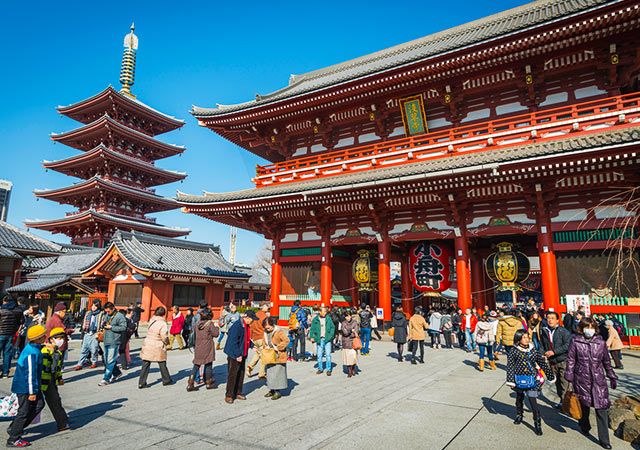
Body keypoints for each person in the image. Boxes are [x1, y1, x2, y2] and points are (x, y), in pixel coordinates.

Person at [565, 317, 618, 449]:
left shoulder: (600, 343)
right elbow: (571, 359)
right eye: (587, 327)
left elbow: (606, 361)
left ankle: (604, 439)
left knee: (601, 408)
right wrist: (569, 374)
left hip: (598, 378)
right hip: (581, 377)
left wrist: (611, 375)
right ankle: (584, 425)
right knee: (584, 404)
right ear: (582, 328)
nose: (589, 330)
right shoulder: (575, 341)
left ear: (595, 329)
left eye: (592, 327)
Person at [506, 329, 554, 436]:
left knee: (533, 402)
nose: (527, 339)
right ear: (518, 339)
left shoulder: (532, 349)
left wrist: (550, 375)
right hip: (518, 380)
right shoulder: (514, 350)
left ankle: (537, 424)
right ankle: (519, 415)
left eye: (527, 337)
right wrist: (510, 381)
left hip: (532, 380)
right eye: (524, 337)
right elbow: (510, 366)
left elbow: (541, 362)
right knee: (519, 399)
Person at [6, 325, 48, 448]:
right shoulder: (32, 353)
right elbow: (30, 374)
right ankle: (13, 438)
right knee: (24, 411)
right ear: (37, 338)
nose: (46, 337)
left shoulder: (34, 348)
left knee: (40, 405)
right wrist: (32, 392)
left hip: (31, 386)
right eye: (43, 336)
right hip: (25, 387)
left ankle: (15, 428)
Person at [539, 311, 572, 407]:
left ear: (557, 320)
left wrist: (554, 351)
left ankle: (567, 404)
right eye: (548, 318)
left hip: (563, 360)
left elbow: (568, 344)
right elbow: (542, 344)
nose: (550, 320)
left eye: (553, 318)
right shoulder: (545, 330)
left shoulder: (563, 331)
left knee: (564, 383)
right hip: (552, 362)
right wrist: (541, 354)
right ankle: (562, 401)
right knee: (557, 383)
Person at [41, 327, 70, 432]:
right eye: (58, 338)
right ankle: (16, 428)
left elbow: (57, 368)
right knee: (36, 406)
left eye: (63, 338)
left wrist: (59, 378)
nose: (61, 340)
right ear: (51, 339)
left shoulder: (58, 352)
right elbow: (42, 368)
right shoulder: (46, 350)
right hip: (44, 380)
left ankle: (62, 423)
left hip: (52, 379)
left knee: (55, 401)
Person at [224, 310, 256, 403]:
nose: (253, 321)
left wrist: (251, 345)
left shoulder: (246, 325)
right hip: (235, 354)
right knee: (232, 374)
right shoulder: (237, 326)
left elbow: (245, 338)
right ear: (247, 318)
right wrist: (237, 354)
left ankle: (238, 392)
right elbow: (233, 342)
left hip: (243, 352)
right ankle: (229, 394)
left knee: (241, 373)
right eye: (252, 319)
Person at [139, 307, 173, 388]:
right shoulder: (162, 323)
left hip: (148, 342)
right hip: (157, 343)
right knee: (162, 362)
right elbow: (164, 335)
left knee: (146, 363)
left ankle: (141, 382)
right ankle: (166, 379)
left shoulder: (152, 320)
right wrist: (167, 342)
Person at [187, 307, 219, 391]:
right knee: (208, 364)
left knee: (196, 365)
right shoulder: (210, 324)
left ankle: (190, 383)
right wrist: (216, 327)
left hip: (198, 346)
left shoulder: (197, 323)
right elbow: (216, 334)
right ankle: (208, 383)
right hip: (207, 346)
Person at [98, 302, 126, 386]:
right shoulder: (107, 315)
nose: (107, 313)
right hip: (106, 339)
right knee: (107, 360)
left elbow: (123, 327)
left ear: (113, 309)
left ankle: (106, 378)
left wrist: (112, 327)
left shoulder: (119, 316)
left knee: (110, 360)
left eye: (109, 311)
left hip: (114, 341)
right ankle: (117, 373)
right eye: (106, 311)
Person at [263, 317, 289, 400]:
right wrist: (265, 346)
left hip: (278, 355)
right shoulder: (265, 332)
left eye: (269, 327)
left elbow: (286, 340)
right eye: (266, 328)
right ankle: (272, 389)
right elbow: (264, 341)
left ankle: (277, 391)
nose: (267, 329)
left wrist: (278, 347)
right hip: (270, 355)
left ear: (272, 325)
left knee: (278, 373)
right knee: (270, 373)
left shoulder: (279, 331)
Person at [74, 299, 104, 371]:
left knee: (94, 349)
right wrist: (83, 330)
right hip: (87, 332)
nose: (93, 307)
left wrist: (99, 333)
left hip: (95, 333)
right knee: (84, 349)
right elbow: (84, 322)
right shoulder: (88, 313)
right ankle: (80, 364)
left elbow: (102, 324)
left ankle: (94, 362)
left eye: (95, 306)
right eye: (92, 305)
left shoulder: (101, 314)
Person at [0, 295, 25, 378]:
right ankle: (5, 373)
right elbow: (22, 321)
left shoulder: (1, 310)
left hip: (0, 333)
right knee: (7, 354)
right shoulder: (18, 311)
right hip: (11, 334)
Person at [310, 306, 335, 375]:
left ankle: (328, 369)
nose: (325, 313)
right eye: (324, 311)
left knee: (328, 354)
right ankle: (320, 368)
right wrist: (311, 337)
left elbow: (333, 327)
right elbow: (312, 329)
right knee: (319, 354)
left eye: (325, 311)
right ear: (320, 312)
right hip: (319, 339)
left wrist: (330, 336)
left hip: (327, 339)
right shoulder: (315, 319)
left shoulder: (328, 318)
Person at [246, 302, 269, 379]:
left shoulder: (255, 315)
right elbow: (267, 327)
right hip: (262, 337)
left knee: (258, 354)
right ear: (263, 307)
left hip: (255, 338)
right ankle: (261, 373)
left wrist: (251, 336)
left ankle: (250, 367)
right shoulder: (265, 316)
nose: (268, 308)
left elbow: (251, 326)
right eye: (267, 306)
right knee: (263, 356)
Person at [340, 310, 359, 377]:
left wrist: (349, 332)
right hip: (346, 342)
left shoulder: (355, 322)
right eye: (346, 316)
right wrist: (351, 330)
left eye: (349, 316)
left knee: (354, 357)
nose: (348, 318)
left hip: (353, 342)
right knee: (348, 358)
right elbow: (344, 332)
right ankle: (349, 371)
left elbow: (356, 331)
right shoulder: (343, 323)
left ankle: (354, 368)